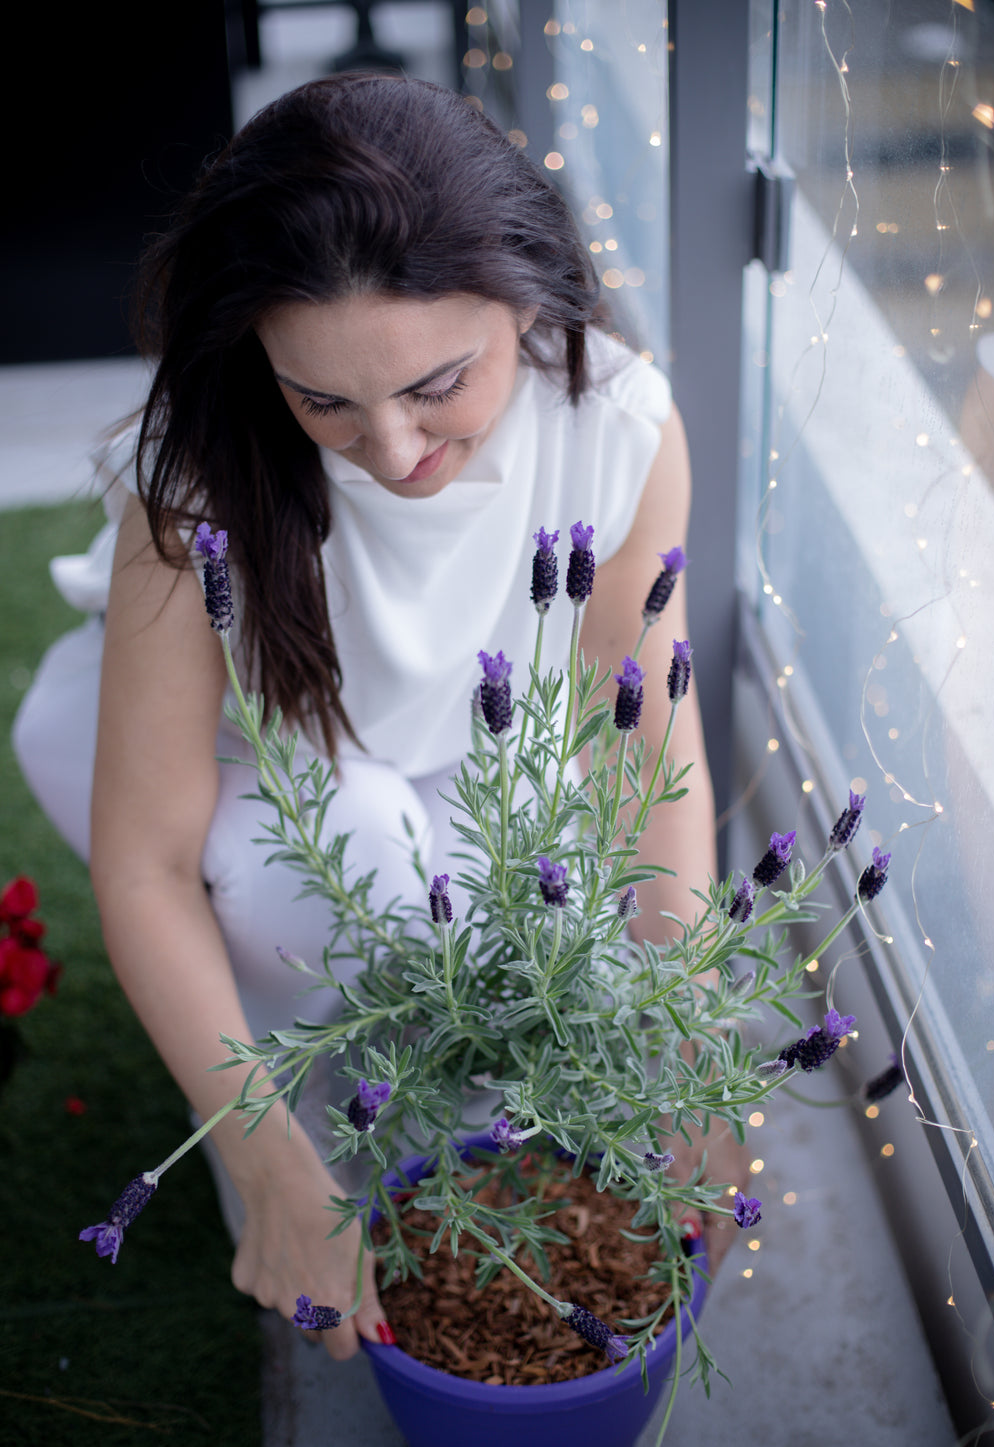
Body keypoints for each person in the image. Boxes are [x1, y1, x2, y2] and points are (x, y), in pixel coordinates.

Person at [13, 73, 738, 1359]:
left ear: (527, 295)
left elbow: (641, 731)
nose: (394, 449)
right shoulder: (197, 473)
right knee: (341, 910)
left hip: (462, 752)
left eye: (438, 382)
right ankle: (282, 1092)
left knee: (537, 995)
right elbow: (147, 860)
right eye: (325, 403)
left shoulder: (621, 421)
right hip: (241, 768)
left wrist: (686, 1030)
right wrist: (281, 1170)